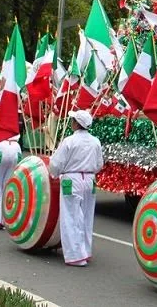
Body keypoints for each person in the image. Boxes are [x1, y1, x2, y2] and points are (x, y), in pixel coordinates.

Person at [49, 110, 103, 267]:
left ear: (76, 123)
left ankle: (75, 255)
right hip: (90, 180)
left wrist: (53, 173)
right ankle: (85, 251)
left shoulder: (69, 141)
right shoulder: (95, 141)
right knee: (86, 216)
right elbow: (99, 164)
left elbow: (56, 164)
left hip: (71, 180)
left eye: (72, 120)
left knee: (71, 216)